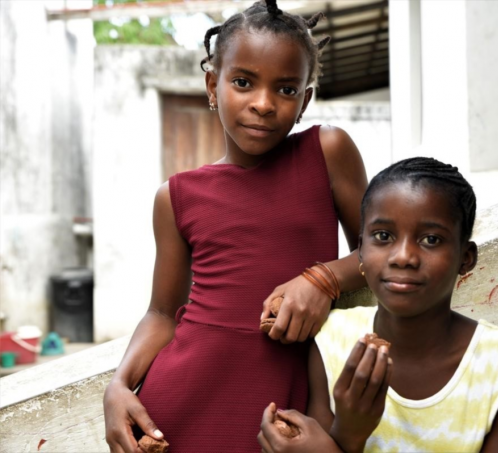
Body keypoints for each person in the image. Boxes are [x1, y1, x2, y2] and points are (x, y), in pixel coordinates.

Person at [103, 1, 368, 451]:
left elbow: (381, 253)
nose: (263, 104)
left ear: (304, 101)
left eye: (286, 90)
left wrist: (323, 279)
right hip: (181, 405)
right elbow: (163, 313)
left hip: (281, 411)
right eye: (243, 82)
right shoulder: (176, 196)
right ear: (213, 84)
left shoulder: (328, 151)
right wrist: (119, 387)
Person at [258, 157, 498, 453]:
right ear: (361, 248)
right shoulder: (332, 340)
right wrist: (350, 431)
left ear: (466, 257)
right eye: (383, 236)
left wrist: (339, 442)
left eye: (431, 239)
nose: (403, 257)